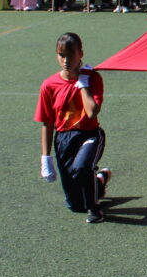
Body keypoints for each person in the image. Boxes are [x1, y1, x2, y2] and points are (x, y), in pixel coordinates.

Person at [34, 32, 111, 224]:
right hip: (64, 140)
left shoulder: (93, 78)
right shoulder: (49, 85)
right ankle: (99, 181)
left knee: (82, 167)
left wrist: (83, 83)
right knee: (76, 205)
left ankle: (95, 211)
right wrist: (45, 158)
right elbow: (47, 122)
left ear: (81, 53)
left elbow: (92, 112)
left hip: (89, 135)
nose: (66, 61)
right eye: (62, 55)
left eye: (71, 55)